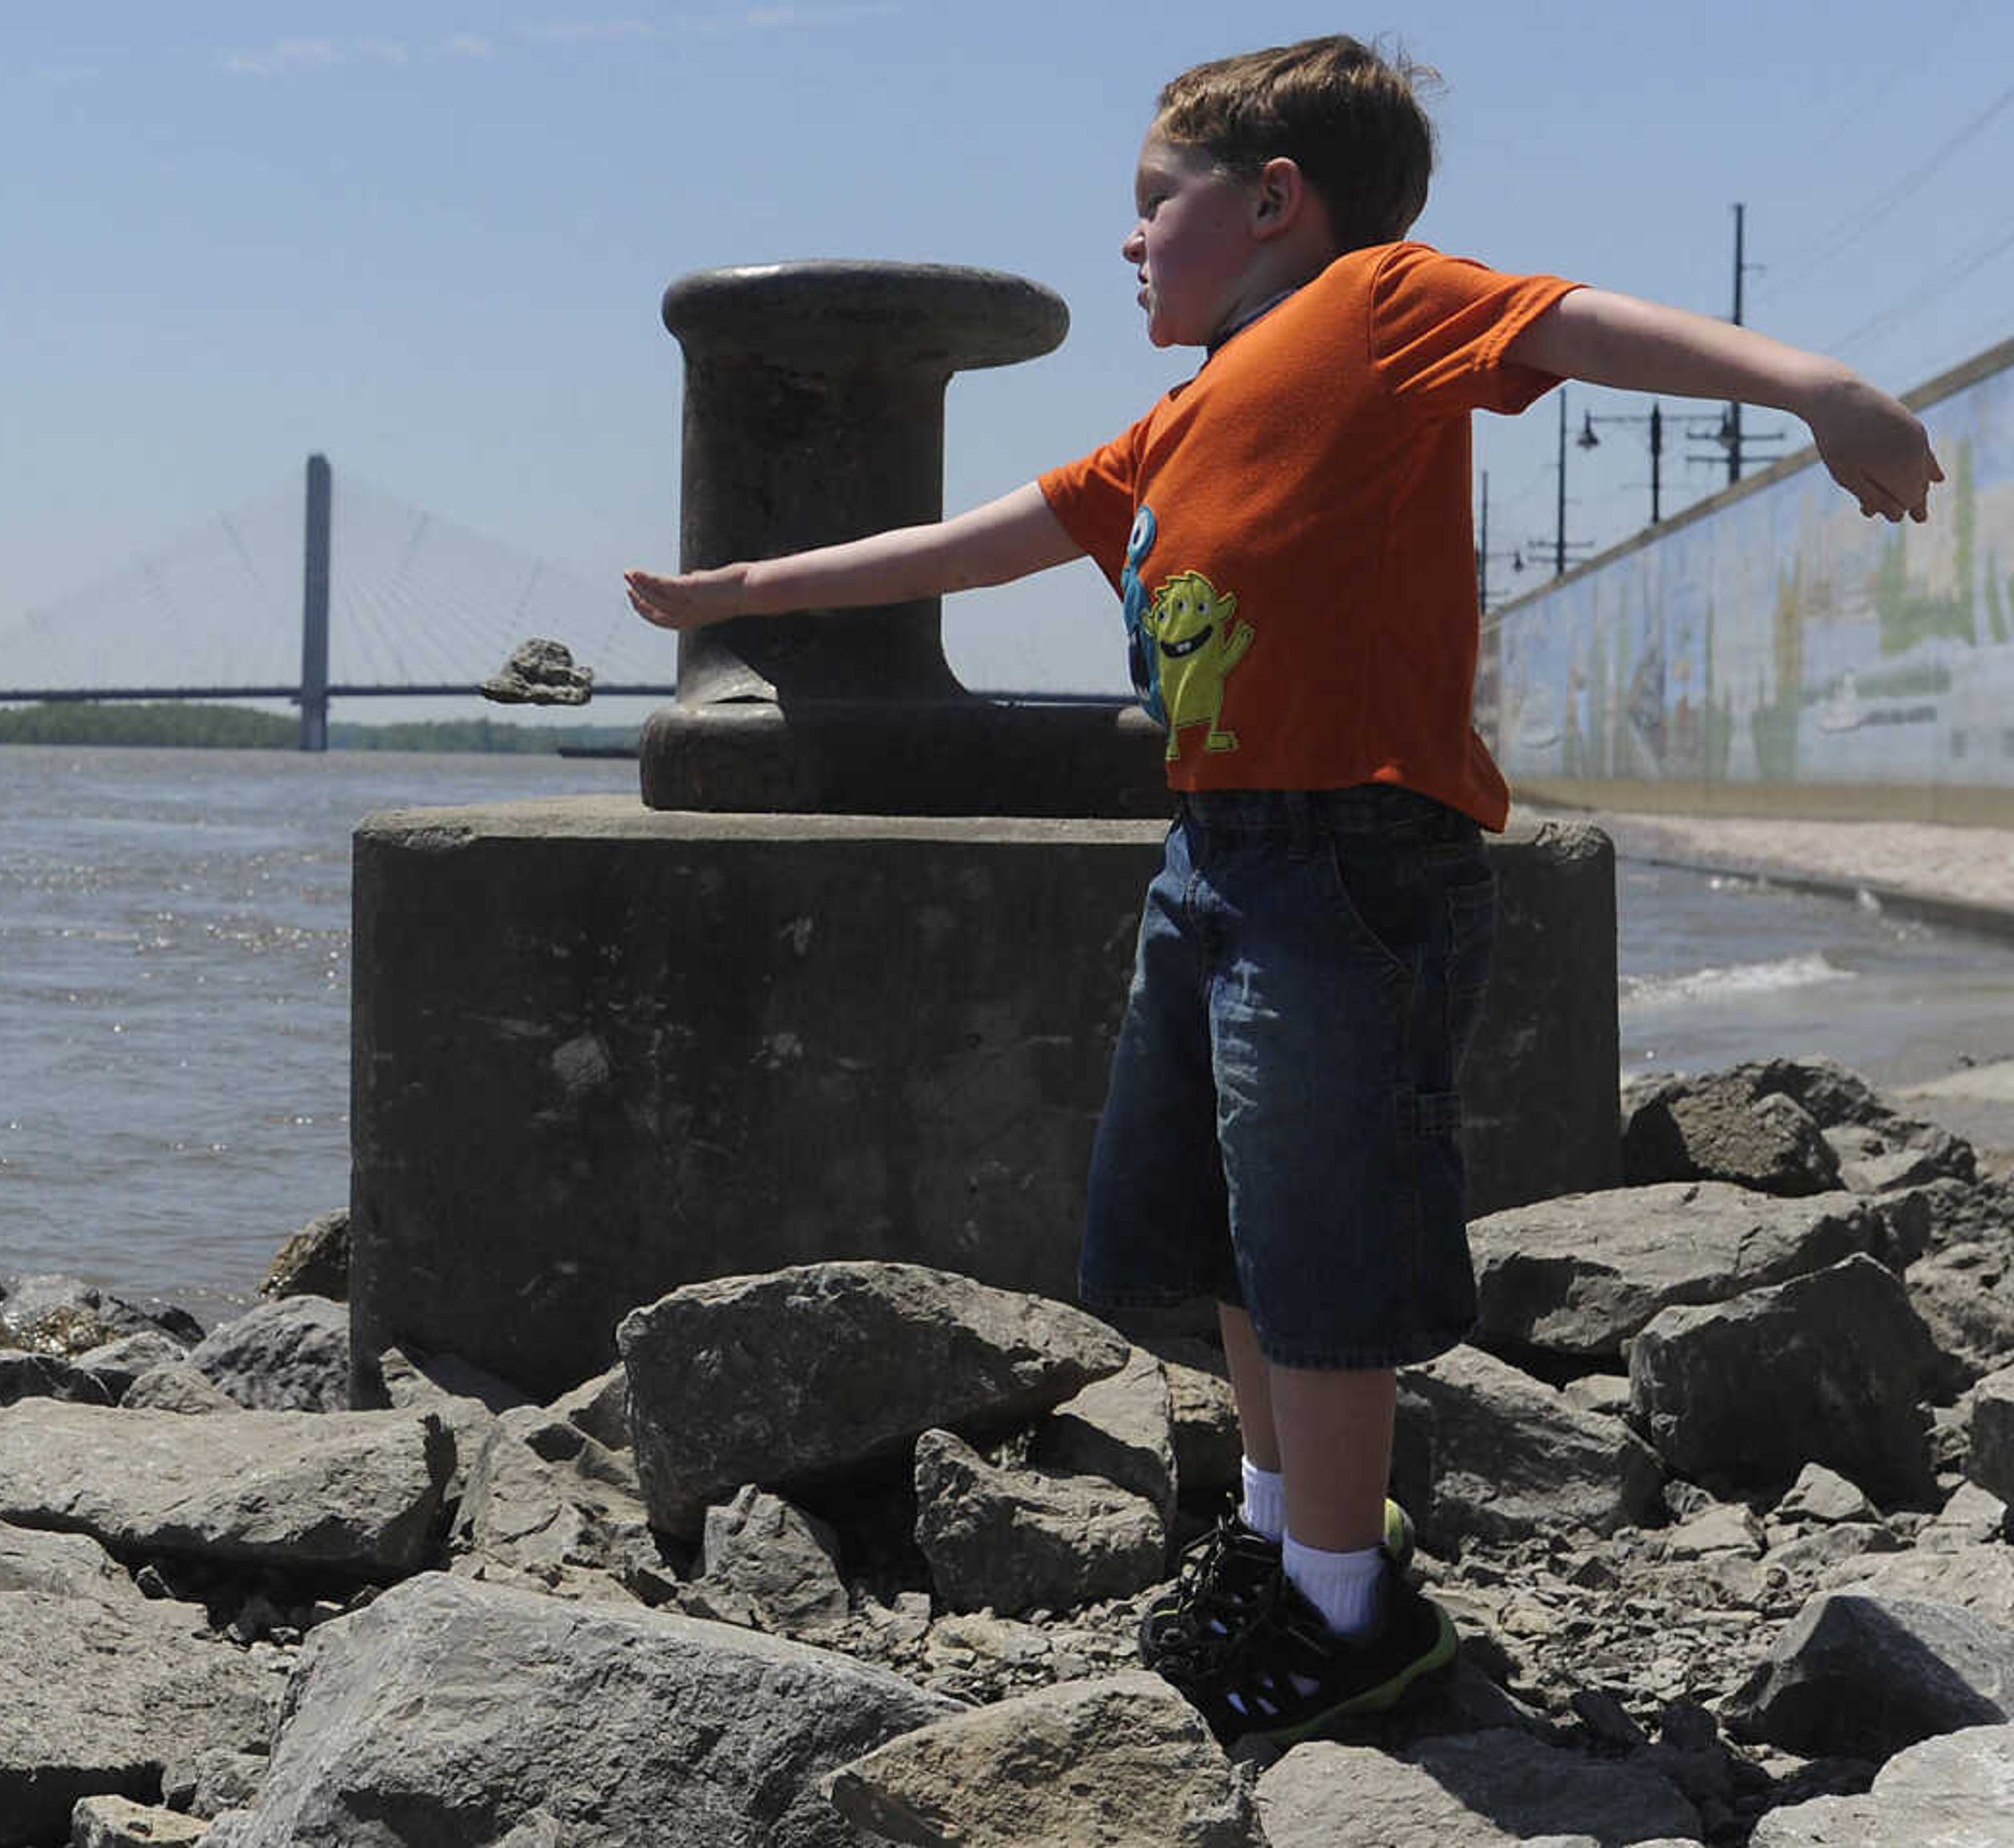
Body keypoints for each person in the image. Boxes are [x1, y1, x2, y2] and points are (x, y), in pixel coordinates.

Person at [623, 32, 1940, 1747]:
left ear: (1271, 200)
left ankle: (1348, 1619)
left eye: (1151, 206)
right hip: (1219, 860)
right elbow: (999, 532)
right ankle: (1280, 1543)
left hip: (1352, 861)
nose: (1127, 241)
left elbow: (1578, 320)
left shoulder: (1381, 305)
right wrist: (753, 586)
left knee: (1320, 1250)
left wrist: (1817, 385)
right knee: (1229, 1235)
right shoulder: (1187, 410)